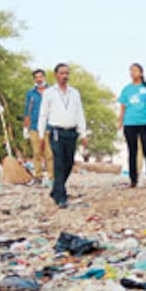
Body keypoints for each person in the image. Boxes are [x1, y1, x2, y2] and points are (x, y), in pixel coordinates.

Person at [37, 63, 89, 208]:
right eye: (61, 73)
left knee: (69, 162)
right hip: (56, 131)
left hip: (71, 132)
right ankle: (61, 195)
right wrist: (41, 134)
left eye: (67, 73)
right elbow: (43, 114)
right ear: (56, 75)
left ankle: (56, 189)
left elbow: (79, 113)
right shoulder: (49, 93)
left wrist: (83, 133)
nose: (64, 76)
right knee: (58, 162)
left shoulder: (74, 93)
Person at [117, 63, 146, 187]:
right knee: (132, 151)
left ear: (141, 73)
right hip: (130, 122)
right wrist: (120, 123)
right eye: (131, 70)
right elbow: (122, 107)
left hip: (144, 122)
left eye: (136, 70)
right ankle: (133, 179)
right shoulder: (126, 89)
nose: (133, 73)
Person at [22, 69, 50, 183]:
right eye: (36, 77)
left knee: (49, 153)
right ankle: (38, 176)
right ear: (34, 79)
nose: (39, 79)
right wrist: (25, 127)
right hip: (34, 126)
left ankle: (52, 176)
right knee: (36, 152)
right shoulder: (31, 94)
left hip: (49, 126)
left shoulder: (51, 91)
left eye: (41, 77)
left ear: (44, 78)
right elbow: (27, 110)